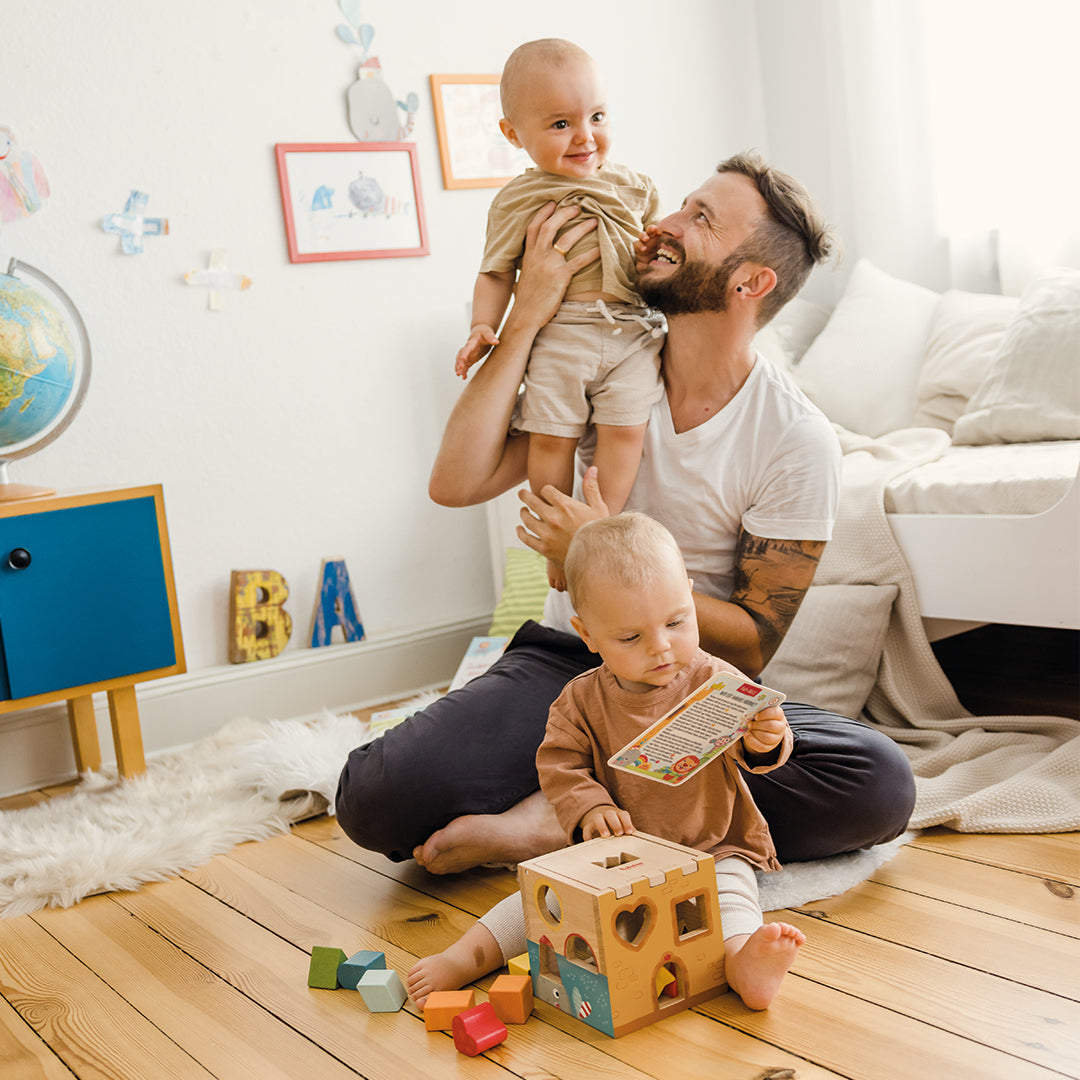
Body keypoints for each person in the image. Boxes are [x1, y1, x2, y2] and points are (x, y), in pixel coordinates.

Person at [335, 151, 916, 877]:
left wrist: (601, 545)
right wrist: (525, 317)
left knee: (878, 784)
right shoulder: (602, 361)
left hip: (687, 684)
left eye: (700, 218)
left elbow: (752, 644)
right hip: (566, 666)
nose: (663, 223)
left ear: (751, 282)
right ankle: (606, 796)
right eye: (681, 204)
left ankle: (553, 821)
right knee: (373, 796)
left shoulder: (795, 439)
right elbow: (455, 482)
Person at [406, 512, 805, 1013]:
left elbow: (757, 750)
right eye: (630, 638)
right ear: (588, 635)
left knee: (731, 901)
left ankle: (744, 964)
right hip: (617, 856)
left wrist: (767, 738)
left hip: (711, 848)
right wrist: (592, 808)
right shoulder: (579, 701)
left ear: (691, 597)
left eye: (676, 622)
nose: (661, 646)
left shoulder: (715, 677)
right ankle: (466, 957)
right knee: (541, 900)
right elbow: (560, 767)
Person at [455, 38, 665, 589]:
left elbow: (657, 251)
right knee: (550, 440)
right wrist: (483, 325)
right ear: (513, 134)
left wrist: (652, 255)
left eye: (597, 116)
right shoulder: (519, 199)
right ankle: (556, 549)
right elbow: (496, 272)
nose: (585, 136)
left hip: (633, 333)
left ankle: (594, 538)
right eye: (560, 124)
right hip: (561, 334)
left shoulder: (634, 186)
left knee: (626, 433)